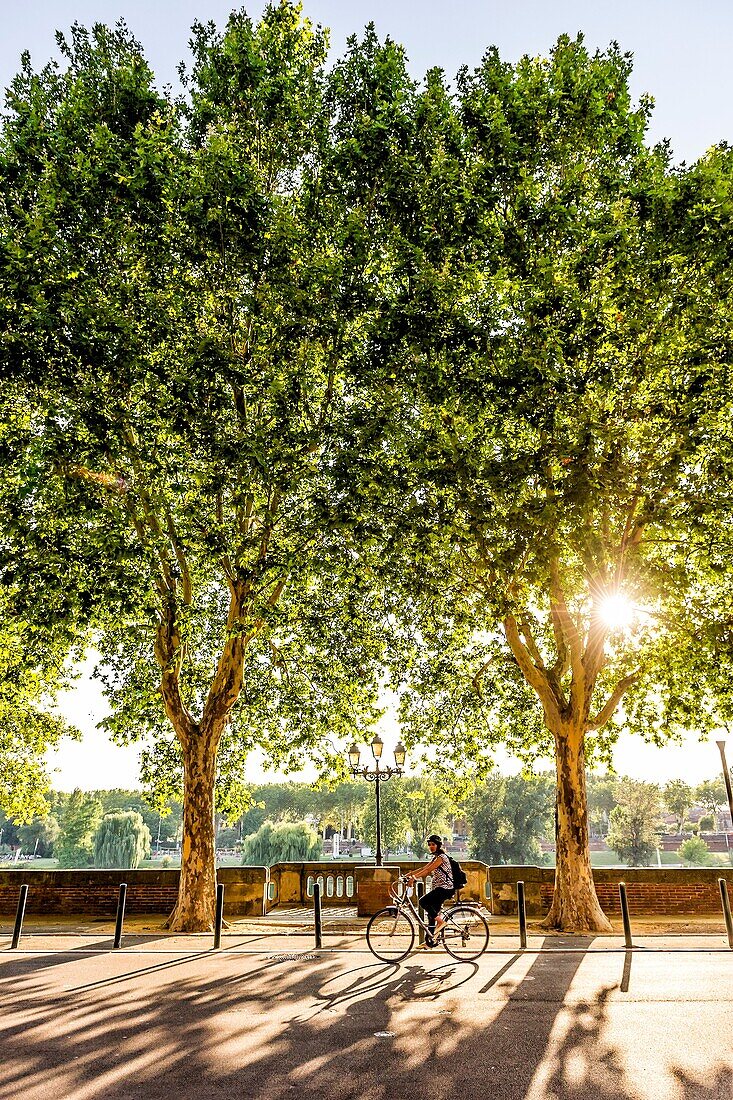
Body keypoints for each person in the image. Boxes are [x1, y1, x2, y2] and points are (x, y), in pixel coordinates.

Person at [405, 833, 454, 947]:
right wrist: (409, 874)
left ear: (438, 845)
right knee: (432, 915)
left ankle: (441, 922)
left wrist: (414, 878)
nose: (431, 846)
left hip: (445, 888)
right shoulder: (435, 858)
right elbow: (424, 868)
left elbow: (427, 871)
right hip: (439, 889)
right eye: (430, 845)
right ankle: (430, 941)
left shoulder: (441, 858)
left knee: (423, 901)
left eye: (433, 844)